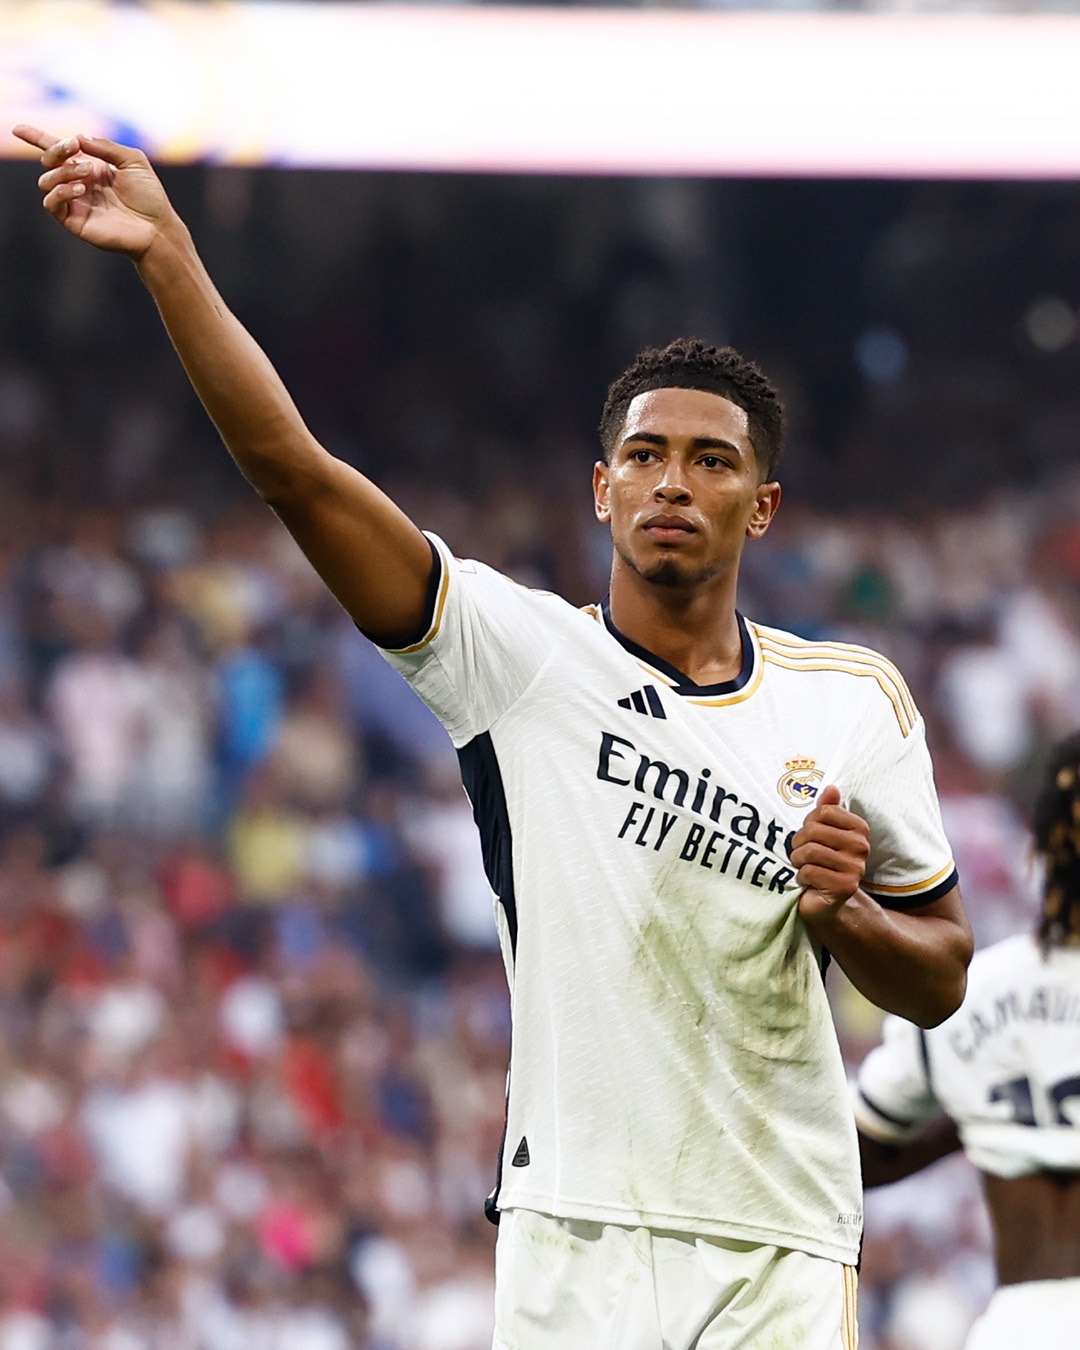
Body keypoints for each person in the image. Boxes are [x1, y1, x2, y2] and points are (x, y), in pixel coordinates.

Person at [14, 124, 973, 1349]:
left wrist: (851, 919)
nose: (673, 483)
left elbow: (941, 975)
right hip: (572, 1233)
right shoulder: (517, 659)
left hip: (777, 1239)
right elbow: (298, 474)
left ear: (763, 505)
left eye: (711, 462)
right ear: (602, 490)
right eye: (644, 456)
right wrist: (171, 256)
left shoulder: (852, 702)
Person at [855, 732, 1080, 1350]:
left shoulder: (969, 994)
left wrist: (972, 1113)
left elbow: (855, 1157)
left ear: (1042, 844)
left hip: (1018, 1329)